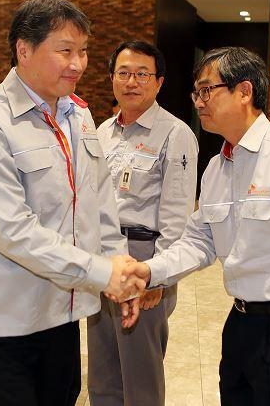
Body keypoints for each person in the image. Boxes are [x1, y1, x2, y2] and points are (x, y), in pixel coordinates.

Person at [124, 47, 270, 406]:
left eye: (206, 90)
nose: (199, 102)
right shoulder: (217, 167)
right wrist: (149, 271)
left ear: (244, 91)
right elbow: (199, 241)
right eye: (196, 93)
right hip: (240, 323)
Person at [0, 0, 142, 406]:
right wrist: (101, 272)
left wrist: (119, 269)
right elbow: (11, 230)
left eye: (83, 51)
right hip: (8, 316)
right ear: (24, 50)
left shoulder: (78, 114)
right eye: (65, 51)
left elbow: (99, 200)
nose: (78, 64)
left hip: (63, 309)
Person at [87, 40, 198, 406]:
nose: (131, 82)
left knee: (140, 374)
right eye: (123, 73)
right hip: (104, 255)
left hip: (144, 257)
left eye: (142, 74)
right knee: (102, 366)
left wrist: (158, 276)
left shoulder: (175, 134)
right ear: (111, 78)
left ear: (159, 82)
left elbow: (177, 214)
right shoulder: (102, 132)